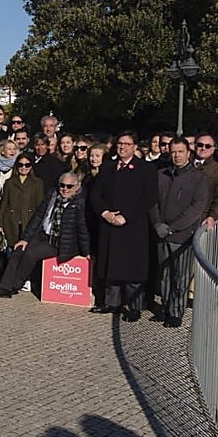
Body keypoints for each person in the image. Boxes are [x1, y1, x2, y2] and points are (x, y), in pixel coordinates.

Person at [0, 172, 89, 299]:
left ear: (77, 188)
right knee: (19, 249)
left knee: (31, 254)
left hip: (61, 242)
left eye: (69, 186)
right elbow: (38, 217)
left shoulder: (79, 203)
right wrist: (25, 238)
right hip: (43, 234)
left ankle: (15, 285)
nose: (65, 189)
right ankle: (3, 288)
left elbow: (83, 229)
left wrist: (86, 251)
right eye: (62, 185)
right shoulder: (53, 195)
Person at [88, 132, 158, 320]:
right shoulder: (107, 167)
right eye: (120, 143)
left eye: (127, 144)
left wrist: (126, 217)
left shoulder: (145, 169)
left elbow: (149, 198)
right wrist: (105, 213)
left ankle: (134, 307)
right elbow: (96, 195)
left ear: (135, 147)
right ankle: (111, 303)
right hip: (109, 224)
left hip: (132, 226)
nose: (122, 147)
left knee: (132, 270)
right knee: (111, 267)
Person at [149, 139, 209, 327]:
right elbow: (152, 202)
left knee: (180, 275)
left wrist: (173, 227)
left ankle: (176, 312)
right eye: (173, 152)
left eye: (180, 152)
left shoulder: (198, 178)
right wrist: (157, 223)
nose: (176, 155)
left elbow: (196, 208)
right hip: (161, 232)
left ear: (188, 153)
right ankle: (165, 308)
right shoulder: (161, 175)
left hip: (181, 235)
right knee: (164, 273)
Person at [0, 154, 45, 255]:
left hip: (28, 222)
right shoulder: (9, 182)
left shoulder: (37, 183)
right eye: (21, 165)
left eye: (27, 165)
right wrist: (0, 225)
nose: (24, 167)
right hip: (11, 222)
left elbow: (40, 206)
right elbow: (4, 205)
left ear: (31, 166)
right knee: (10, 253)